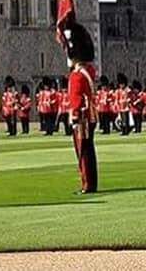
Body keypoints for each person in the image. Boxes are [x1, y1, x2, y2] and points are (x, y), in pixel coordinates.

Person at [63, 22, 98, 195]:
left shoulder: (77, 75)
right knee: (88, 149)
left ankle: (87, 184)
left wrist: (75, 117)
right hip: (90, 115)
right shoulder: (88, 71)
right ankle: (90, 182)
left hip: (82, 117)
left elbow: (76, 98)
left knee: (83, 151)